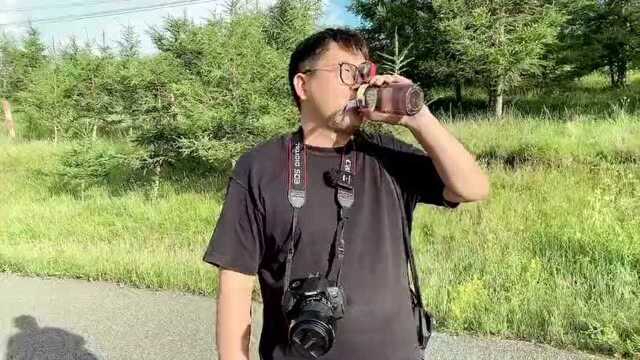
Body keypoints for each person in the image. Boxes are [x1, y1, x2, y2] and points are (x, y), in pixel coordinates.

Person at [202, 28, 490, 360]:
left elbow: (473, 188)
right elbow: (235, 285)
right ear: (303, 84)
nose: (359, 84)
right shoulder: (260, 168)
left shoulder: (386, 156)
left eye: (364, 72)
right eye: (346, 72)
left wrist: (418, 117)